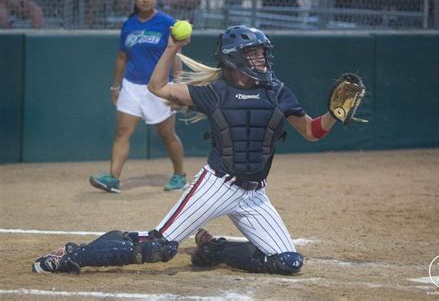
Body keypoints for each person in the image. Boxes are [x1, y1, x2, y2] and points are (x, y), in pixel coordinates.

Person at [33, 25, 339, 275]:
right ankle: (74, 255)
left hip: (255, 194)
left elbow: (311, 132)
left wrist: (332, 116)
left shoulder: (278, 92)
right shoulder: (214, 93)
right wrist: (171, 48)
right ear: (235, 59)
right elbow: (157, 88)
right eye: (254, 54)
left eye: (262, 53)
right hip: (218, 185)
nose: (262, 59)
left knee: (288, 261)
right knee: (158, 247)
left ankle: (213, 249)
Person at [89, 0, 188, 193]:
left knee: (167, 134)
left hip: (159, 87)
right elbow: (122, 57)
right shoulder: (129, 24)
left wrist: (178, 85)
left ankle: (180, 175)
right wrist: (116, 86)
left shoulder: (168, 23)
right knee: (122, 132)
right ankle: (113, 178)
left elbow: (175, 54)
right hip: (132, 86)